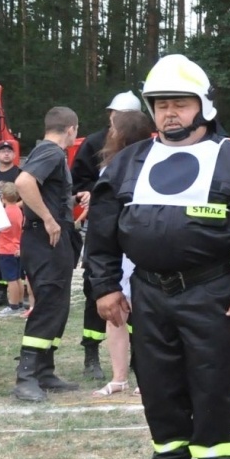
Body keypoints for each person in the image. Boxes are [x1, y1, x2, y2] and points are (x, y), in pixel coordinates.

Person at [86, 54, 230, 459]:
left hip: (212, 290)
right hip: (148, 292)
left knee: (211, 378)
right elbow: (101, 232)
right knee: (156, 380)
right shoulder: (128, 162)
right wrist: (106, 286)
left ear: (203, 106)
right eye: (161, 104)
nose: (170, 112)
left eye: (180, 103)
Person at [71, 91, 146, 381]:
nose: (113, 121)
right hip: (105, 235)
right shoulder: (94, 143)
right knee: (99, 293)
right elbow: (78, 181)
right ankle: (92, 350)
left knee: (140, 304)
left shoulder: (152, 153)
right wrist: (91, 193)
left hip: (135, 241)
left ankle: (139, 361)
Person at [10, 106, 82, 401]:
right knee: (50, 303)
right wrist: (49, 219)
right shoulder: (52, 152)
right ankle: (26, 376)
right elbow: (23, 183)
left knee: (58, 305)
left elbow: (45, 191)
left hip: (53, 239)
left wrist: (72, 199)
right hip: (45, 239)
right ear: (71, 129)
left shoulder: (51, 155)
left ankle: (44, 370)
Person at [90, 110, 155, 397]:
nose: (109, 132)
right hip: (117, 252)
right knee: (114, 314)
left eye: (113, 128)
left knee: (145, 316)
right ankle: (119, 377)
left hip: (141, 250)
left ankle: (146, 376)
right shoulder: (110, 168)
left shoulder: (152, 166)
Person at [0, 142, 21, 306]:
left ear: (14, 155)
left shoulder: (20, 174)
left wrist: (12, 208)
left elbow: (27, 197)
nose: (6, 154)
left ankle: (18, 292)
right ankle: (0, 292)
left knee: (13, 256)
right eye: (2, 151)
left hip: (13, 220)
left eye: (9, 151)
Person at [0, 183, 28, 318]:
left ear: (3, 197)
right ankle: (18, 303)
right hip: (17, 247)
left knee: (10, 279)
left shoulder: (4, 213)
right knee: (17, 278)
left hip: (5, 249)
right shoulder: (18, 210)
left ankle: (13, 305)